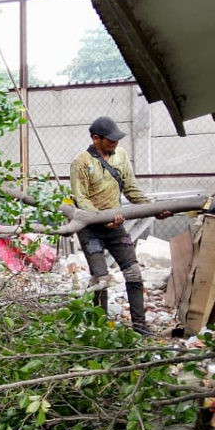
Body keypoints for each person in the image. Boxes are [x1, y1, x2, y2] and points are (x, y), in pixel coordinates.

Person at [71, 116, 170, 335]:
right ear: (96, 139)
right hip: (91, 229)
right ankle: (99, 331)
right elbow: (82, 199)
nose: (115, 143)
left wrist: (152, 208)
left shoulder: (121, 155)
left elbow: (131, 188)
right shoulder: (81, 162)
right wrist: (101, 217)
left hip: (115, 226)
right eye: (111, 140)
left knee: (134, 273)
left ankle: (140, 327)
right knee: (101, 278)